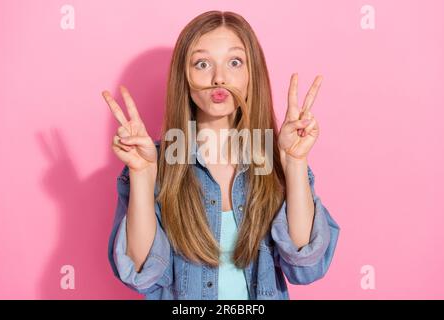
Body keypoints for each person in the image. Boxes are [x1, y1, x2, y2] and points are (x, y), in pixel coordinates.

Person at [102, 10, 340, 300]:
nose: (219, 78)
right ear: (184, 78)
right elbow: (141, 276)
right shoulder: (154, 164)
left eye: (235, 62)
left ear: (252, 73)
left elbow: (306, 265)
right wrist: (141, 176)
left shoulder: (276, 158)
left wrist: (294, 162)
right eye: (203, 64)